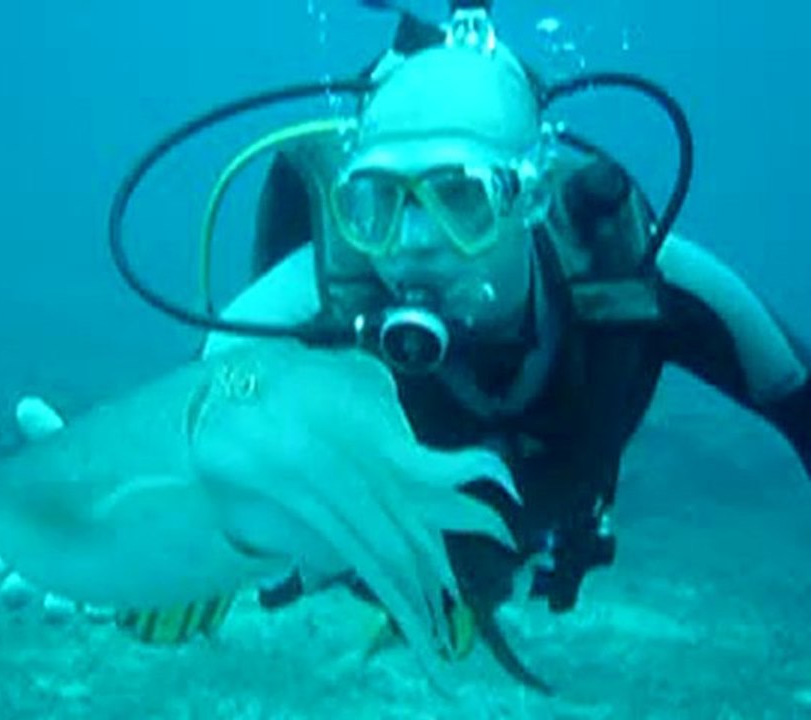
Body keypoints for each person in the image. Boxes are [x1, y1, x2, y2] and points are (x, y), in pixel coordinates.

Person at [200, 3, 811, 641]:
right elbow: (176, 446)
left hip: (552, 506)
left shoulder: (632, 274)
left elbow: (793, 388)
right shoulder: (314, 298)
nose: (411, 244)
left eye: (461, 195)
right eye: (376, 201)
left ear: (529, 198)